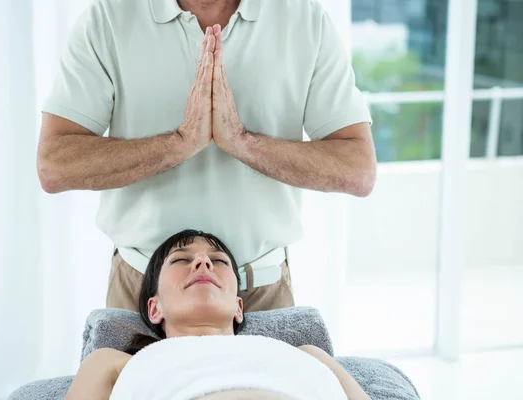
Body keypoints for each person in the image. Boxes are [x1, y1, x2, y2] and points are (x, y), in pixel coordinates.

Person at [37, 0, 377, 313]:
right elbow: (55, 164)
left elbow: (357, 169)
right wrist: (179, 143)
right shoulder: (109, 16)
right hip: (144, 292)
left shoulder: (304, 18)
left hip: (260, 292)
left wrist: (244, 143)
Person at [65, 230, 371, 400]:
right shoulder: (113, 362)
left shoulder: (310, 355)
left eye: (219, 261)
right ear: (154, 307)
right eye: (181, 259)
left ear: (239, 307)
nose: (202, 263)